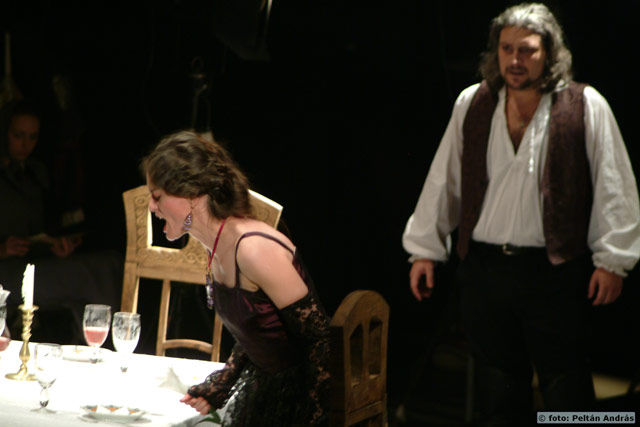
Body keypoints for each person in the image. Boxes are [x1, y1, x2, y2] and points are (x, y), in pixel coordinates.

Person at [402, 2, 640, 425]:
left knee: (565, 384)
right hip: (485, 270)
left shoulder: (583, 105)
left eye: (527, 49)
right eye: (507, 48)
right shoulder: (474, 102)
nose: (515, 59)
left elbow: (613, 185)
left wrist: (613, 261)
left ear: (549, 52)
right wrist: (425, 249)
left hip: (553, 271)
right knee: (497, 387)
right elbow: (445, 179)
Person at [141, 130, 330, 426]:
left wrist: (313, 419)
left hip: (299, 397)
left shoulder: (253, 250)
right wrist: (222, 382)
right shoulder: (215, 246)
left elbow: (320, 340)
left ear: (191, 195)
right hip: (267, 389)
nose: (152, 207)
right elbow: (259, 326)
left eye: (157, 196)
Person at [0, 100, 81, 259]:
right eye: (18, 135)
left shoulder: (35, 173)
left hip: (31, 264)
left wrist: (55, 246)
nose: (25, 144)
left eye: (33, 137)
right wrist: (2, 250)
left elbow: (39, 232)